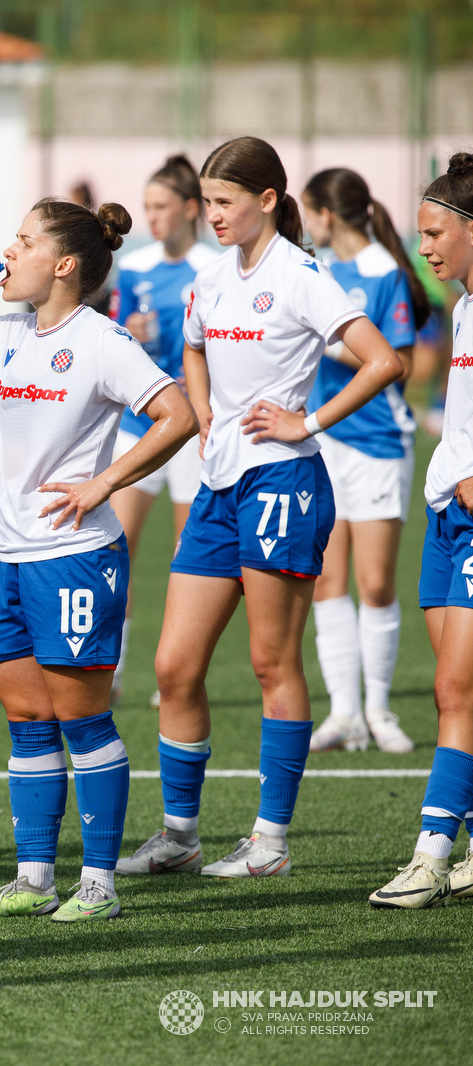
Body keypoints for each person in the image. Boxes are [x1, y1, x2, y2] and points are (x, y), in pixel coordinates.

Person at [118, 137, 402, 881]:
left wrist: (305, 423)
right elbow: (195, 351)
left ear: (268, 200)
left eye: (224, 202)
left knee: (271, 661)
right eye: (207, 201)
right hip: (217, 486)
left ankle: (270, 842)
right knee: (174, 667)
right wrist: (205, 411)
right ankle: (181, 834)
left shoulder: (303, 277)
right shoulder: (210, 279)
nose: (210, 215)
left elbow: (384, 361)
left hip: (285, 485)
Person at [0, 198, 197, 923]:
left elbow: (178, 414)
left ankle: (98, 885)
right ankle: (34, 877)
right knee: (25, 717)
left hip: (73, 556)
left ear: (63, 265)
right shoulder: (1, 331)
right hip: (0, 554)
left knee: (83, 719)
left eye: (23, 241)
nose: (6, 252)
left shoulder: (101, 341)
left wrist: (104, 483)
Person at [368, 157, 473, 907]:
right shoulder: (464, 307)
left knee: (454, 687)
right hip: (447, 518)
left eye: (436, 232)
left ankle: (431, 855)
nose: (425, 246)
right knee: (455, 697)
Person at [302, 168, 427, 756]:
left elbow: (397, 359)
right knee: (328, 578)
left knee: (375, 584)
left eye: (310, 211)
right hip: (324, 440)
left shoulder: (385, 272)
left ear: (329, 214)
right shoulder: (314, 270)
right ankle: (344, 713)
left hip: (377, 442)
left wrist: (333, 343)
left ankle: (379, 710)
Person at [107, 155, 218, 708]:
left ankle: (180, 671)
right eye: (146, 206)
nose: (151, 216)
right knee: (115, 547)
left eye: (161, 206)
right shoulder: (135, 265)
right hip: (139, 424)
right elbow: (117, 334)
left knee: (187, 553)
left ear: (190, 210)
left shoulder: (213, 266)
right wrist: (126, 329)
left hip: (192, 425)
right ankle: (113, 668)